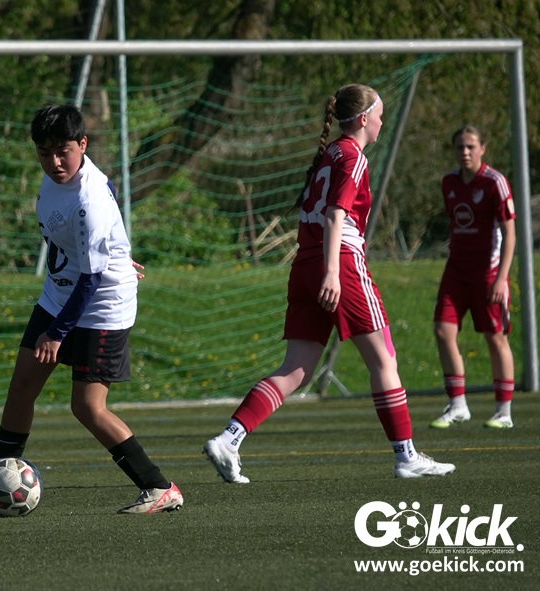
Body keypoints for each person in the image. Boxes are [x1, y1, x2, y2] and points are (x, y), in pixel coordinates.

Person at [202, 84, 455, 483]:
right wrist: (333, 272)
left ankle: (229, 439)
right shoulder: (352, 156)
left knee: (295, 370)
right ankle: (406, 457)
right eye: (380, 115)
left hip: (305, 263)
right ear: (364, 118)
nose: (382, 122)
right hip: (338, 263)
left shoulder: (329, 154)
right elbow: (336, 215)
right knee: (384, 360)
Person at [0, 104, 183, 517]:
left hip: (102, 304)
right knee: (22, 386)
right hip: (59, 295)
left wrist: (57, 333)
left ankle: (159, 487)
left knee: (87, 406)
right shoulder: (57, 181)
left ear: (83, 144)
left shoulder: (88, 198)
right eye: (44, 153)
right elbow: (102, 210)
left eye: (63, 151)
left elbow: (92, 277)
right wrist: (117, 248)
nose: (55, 162)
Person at [430, 126, 517, 429]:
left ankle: (503, 412)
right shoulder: (449, 182)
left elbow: (509, 233)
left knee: (495, 338)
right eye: (459, 147)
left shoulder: (495, 182)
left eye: (470, 146)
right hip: (456, 270)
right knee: (442, 330)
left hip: (488, 273)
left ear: (482, 148)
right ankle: (458, 406)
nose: (464, 152)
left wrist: (501, 277)